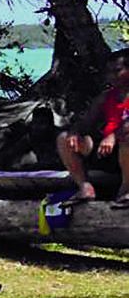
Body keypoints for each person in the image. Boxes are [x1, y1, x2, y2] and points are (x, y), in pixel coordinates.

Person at [55, 48, 129, 206]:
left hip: (125, 148)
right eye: (109, 72)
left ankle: (126, 189)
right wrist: (75, 132)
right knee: (63, 138)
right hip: (107, 152)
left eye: (117, 71)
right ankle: (84, 187)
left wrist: (114, 136)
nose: (112, 76)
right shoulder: (106, 97)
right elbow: (86, 122)